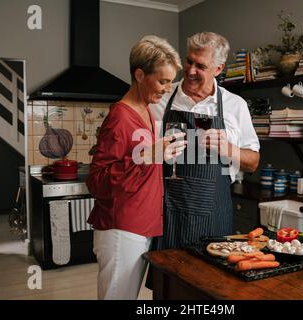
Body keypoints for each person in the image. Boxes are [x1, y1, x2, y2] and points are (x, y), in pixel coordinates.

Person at [86, 35, 185, 300]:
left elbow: (143, 165)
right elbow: (96, 182)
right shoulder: (120, 117)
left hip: (143, 225)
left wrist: (159, 155)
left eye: (170, 81)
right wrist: (147, 157)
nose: (167, 88)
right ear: (139, 75)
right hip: (122, 230)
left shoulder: (149, 111)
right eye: (162, 81)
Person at [149, 31, 260, 249]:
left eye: (200, 66)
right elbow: (140, 152)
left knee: (210, 279)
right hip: (168, 213)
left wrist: (228, 149)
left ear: (218, 69)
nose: (190, 71)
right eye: (189, 61)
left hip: (214, 214)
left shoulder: (235, 105)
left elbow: (253, 162)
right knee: (168, 280)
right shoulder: (159, 100)